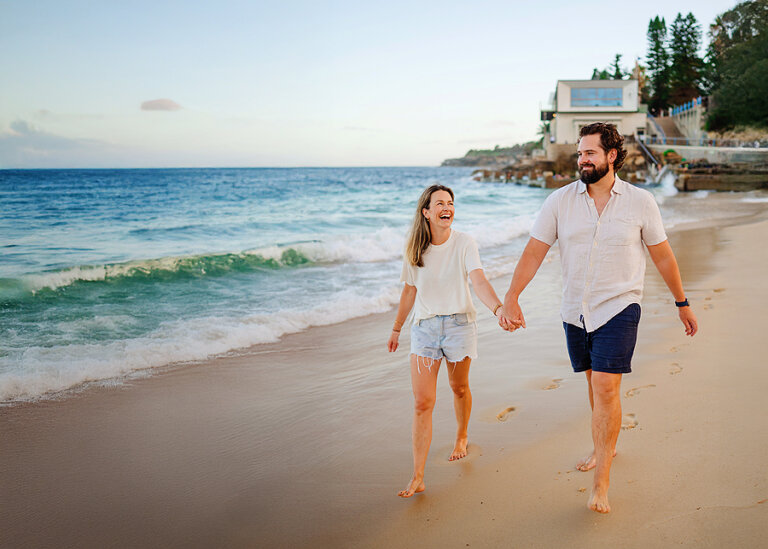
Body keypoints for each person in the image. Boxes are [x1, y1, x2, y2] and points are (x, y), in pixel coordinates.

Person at [500, 122, 698, 514]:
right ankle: (602, 445)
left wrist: (682, 302)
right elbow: (535, 251)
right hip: (575, 309)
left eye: (589, 153)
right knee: (594, 384)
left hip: (620, 305)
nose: (581, 160)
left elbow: (662, 255)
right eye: (579, 153)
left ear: (611, 156)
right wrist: (511, 296)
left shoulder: (640, 202)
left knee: (607, 388)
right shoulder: (559, 202)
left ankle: (601, 483)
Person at [388, 184, 514, 498]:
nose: (448, 208)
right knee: (422, 403)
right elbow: (409, 291)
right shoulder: (414, 248)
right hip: (424, 330)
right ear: (426, 212)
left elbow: (479, 280)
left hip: (460, 325)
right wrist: (396, 329)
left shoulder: (464, 243)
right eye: (440, 203)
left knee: (458, 387)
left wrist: (498, 308)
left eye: (451, 203)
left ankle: (461, 436)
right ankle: (418, 475)